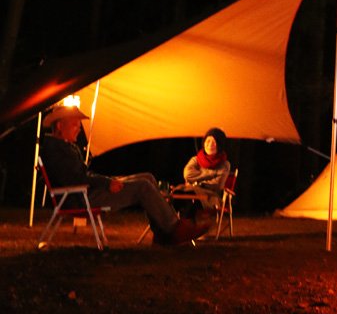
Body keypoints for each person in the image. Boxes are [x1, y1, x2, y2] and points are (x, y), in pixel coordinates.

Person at [40, 103, 212, 246]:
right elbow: (74, 178)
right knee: (143, 187)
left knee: (147, 177)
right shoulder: (55, 149)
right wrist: (107, 183)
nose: (79, 129)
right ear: (60, 126)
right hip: (81, 198)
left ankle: (162, 234)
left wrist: (110, 181)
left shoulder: (65, 147)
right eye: (75, 125)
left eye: (79, 125)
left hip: (87, 191)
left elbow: (81, 175)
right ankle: (173, 228)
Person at [182, 127, 231, 211]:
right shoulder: (196, 159)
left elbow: (218, 184)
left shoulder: (224, 164)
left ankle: (189, 222)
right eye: (208, 141)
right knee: (178, 193)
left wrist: (198, 183)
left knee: (194, 200)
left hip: (211, 198)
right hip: (192, 193)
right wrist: (211, 174)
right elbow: (187, 175)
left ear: (220, 145)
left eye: (214, 142)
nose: (210, 145)